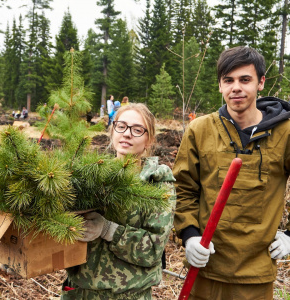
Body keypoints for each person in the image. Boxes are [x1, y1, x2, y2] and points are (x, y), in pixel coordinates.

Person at [173, 46, 290, 300]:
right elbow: (183, 189)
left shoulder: (286, 132)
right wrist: (190, 236)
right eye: (228, 80)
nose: (236, 87)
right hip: (204, 269)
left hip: (255, 277)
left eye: (245, 79)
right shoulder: (199, 130)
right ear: (220, 85)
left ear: (261, 83)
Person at [61, 103, 176, 300]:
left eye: (137, 130)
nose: (127, 134)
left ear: (149, 140)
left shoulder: (157, 184)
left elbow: (154, 249)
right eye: (121, 126)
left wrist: (107, 230)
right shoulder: (91, 176)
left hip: (129, 294)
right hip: (79, 292)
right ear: (112, 131)